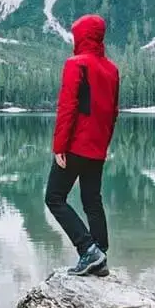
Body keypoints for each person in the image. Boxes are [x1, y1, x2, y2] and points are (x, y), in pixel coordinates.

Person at [46, 14, 119, 277]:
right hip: (97, 146)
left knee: (54, 197)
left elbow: (68, 107)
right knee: (92, 200)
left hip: (76, 144)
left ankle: (88, 249)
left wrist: (59, 147)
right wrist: (103, 144)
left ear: (81, 36)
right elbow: (113, 112)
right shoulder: (112, 69)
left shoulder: (75, 64)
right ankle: (101, 255)